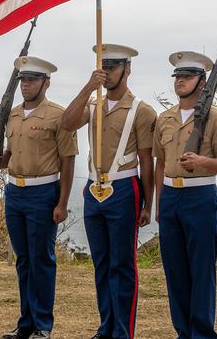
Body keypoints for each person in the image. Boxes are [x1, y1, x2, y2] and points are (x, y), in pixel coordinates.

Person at [61, 44, 156, 339]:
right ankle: (106, 327)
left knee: (123, 264)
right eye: (104, 67)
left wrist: (147, 204)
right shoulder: (93, 105)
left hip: (125, 187)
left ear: (127, 70)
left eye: (113, 67)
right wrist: (89, 86)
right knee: (101, 262)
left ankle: (123, 331)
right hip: (93, 188)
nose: (108, 72)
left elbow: (145, 161)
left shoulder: (141, 110)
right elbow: (66, 123)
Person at [0, 56, 78, 339]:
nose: (26, 85)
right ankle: (26, 323)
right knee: (23, 260)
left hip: (43, 191)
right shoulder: (12, 115)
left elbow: (68, 160)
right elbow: (10, 154)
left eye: (32, 80)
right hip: (15, 192)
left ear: (46, 83)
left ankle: (42, 325)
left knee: (41, 259)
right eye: (23, 80)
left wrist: (62, 203)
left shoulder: (59, 115)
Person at [153, 51, 217, 339]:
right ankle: (182, 332)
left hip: (200, 197)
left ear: (202, 82)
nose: (180, 82)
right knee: (175, 272)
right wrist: (158, 203)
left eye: (187, 77)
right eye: (177, 76)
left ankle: (201, 333)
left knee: (201, 271)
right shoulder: (164, 118)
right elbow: (160, 163)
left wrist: (202, 162)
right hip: (170, 199)